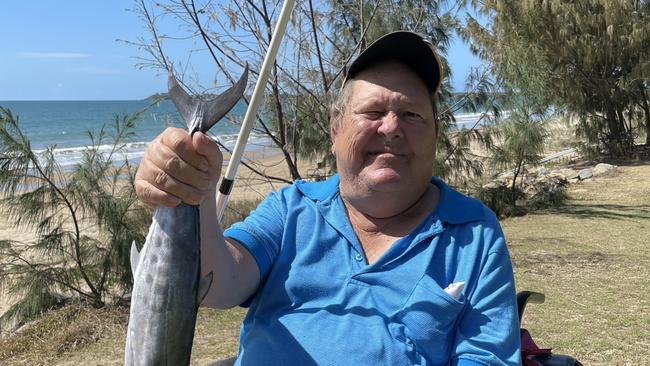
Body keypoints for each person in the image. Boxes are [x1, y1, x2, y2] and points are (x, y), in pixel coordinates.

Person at [135, 31, 520, 366]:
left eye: (412, 114)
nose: (392, 128)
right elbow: (218, 283)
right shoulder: (290, 210)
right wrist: (192, 189)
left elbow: (486, 358)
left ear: (436, 132)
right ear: (335, 130)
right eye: (372, 111)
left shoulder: (474, 234)